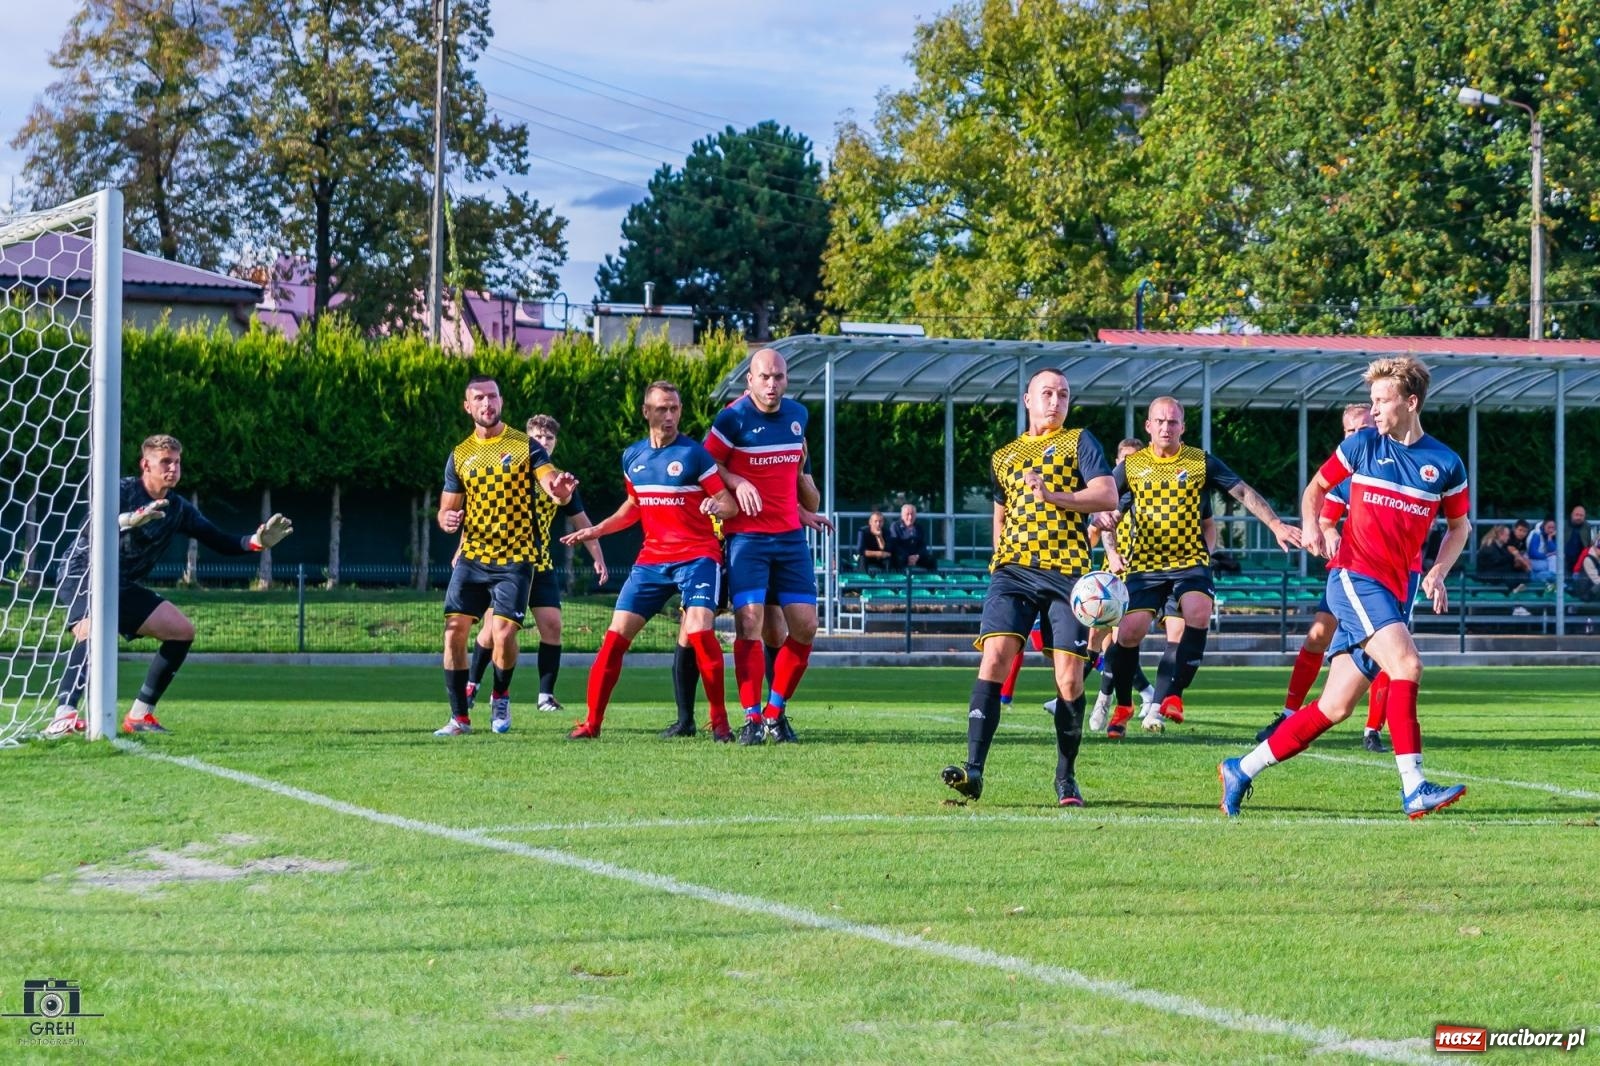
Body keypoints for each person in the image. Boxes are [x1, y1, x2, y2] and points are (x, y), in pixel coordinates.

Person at [1219, 355, 1471, 820]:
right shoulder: (1362, 448)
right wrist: (1314, 526)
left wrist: (1437, 571)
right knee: (1408, 664)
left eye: (1382, 400)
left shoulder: (1446, 463)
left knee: (1335, 707)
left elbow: (1460, 527)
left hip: (1399, 588)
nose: (1373, 410)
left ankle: (1241, 768)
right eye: (1372, 401)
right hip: (1355, 576)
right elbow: (1316, 488)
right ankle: (1415, 787)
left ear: (1411, 402)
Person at [940, 367, 1117, 807]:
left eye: (1063, 394)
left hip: (1068, 575)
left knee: (1069, 679)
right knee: (995, 656)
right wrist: (1000, 552)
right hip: (1014, 571)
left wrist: (1054, 497)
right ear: (1027, 400)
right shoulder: (1005, 456)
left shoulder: (1080, 442)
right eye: (1047, 393)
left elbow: (1107, 495)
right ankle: (974, 769)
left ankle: (1066, 777)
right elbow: (1000, 510)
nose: (1055, 401)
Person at [43, 434, 294, 738]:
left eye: (176, 462)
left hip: (119, 584)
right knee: (93, 631)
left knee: (181, 630)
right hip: (83, 574)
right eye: (165, 462)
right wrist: (127, 520)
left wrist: (256, 542)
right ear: (145, 465)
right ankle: (63, 715)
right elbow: (90, 529)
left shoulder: (178, 509)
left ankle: (140, 715)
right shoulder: (120, 490)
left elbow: (221, 541)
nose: (173, 468)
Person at [1093, 397, 1300, 735]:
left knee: (1198, 612)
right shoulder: (1131, 466)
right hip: (1144, 566)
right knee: (1128, 634)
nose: (1165, 427)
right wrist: (1101, 514)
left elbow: (1243, 492)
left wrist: (1275, 524)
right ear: (1148, 426)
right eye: (1159, 421)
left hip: (1190, 561)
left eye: (1173, 422)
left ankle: (1172, 695)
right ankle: (1124, 703)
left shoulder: (1200, 462)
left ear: (1183, 427)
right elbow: (1100, 496)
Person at [562, 381, 737, 740]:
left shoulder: (695, 455)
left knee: (701, 632)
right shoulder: (633, 457)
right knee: (614, 640)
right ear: (646, 412)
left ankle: (720, 723)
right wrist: (597, 530)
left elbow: (729, 503)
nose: (669, 416)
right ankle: (592, 724)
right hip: (652, 561)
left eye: (674, 408)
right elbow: (633, 507)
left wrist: (716, 505)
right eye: (661, 409)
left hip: (698, 557)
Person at [434, 376, 578, 736]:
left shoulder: (526, 446)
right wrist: (446, 519)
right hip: (473, 556)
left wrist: (559, 491)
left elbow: (549, 481)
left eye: (493, 396)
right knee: (454, 632)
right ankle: (459, 718)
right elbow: (446, 509)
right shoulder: (460, 455)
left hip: (516, 558)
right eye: (479, 398)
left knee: (502, 634)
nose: (487, 403)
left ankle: (500, 696)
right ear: (468, 406)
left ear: (501, 401)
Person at [1253, 404, 1395, 753]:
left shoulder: (1393, 465)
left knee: (1390, 652)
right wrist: (1326, 531)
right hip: (1348, 573)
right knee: (1317, 635)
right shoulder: (1344, 478)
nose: (1358, 435)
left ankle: (1373, 729)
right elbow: (1325, 513)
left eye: (1364, 427)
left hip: (1389, 577)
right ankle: (1289, 713)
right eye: (1351, 431)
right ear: (1344, 435)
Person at [705, 348, 824, 745]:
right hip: (747, 538)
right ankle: (752, 718)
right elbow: (704, 466)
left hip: (790, 536)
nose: (772, 384)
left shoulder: (798, 417)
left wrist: (804, 509)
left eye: (779, 377)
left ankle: (774, 712)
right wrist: (737, 482)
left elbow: (793, 478)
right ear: (750, 381)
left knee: (806, 626)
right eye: (764, 377)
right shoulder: (732, 418)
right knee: (750, 622)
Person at [462, 414, 608, 723]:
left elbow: (582, 522)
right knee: (492, 632)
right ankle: (472, 684)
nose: (542, 443)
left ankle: (545, 695)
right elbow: (478, 511)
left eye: (549, 439)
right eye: (537, 438)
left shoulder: (558, 483)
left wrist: (598, 555)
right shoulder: (507, 471)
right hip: (502, 563)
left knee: (553, 624)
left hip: (538, 564)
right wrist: (463, 548)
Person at [1474, 524, 1527, 594]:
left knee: (1519, 572)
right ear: (1500, 535)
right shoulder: (1489, 546)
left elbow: (1505, 559)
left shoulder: (1500, 546)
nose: (1508, 538)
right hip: (1487, 575)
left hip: (1496, 572)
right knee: (1509, 573)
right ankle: (1513, 590)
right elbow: (1497, 561)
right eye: (1507, 535)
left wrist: (1516, 558)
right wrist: (1512, 555)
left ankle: (1515, 588)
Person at [887, 502, 937, 572]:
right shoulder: (895, 526)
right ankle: (901, 581)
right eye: (907, 514)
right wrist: (908, 557)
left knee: (931, 560)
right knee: (897, 559)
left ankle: (929, 581)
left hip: (916, 557)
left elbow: (923, 545)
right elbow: (895, 545)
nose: (910, 517)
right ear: (902, 515)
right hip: (902, 556)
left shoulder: (919, 527)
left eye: (912, 514)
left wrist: (917, 556)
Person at [1527, 517, 1561, 585]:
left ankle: (1550, 580)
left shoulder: (1551, 535)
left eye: (1553, 528)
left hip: (1543, 560)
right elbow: (1532, 553)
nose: (1551, 530)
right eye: (1549, 527)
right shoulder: (1536, 534)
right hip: (1532, 561)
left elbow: (1553, 550)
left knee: (1554, 560)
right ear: (1543, 526)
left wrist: (1550, 538)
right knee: (1554, 565)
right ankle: (1555, 581)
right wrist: (1546, 555)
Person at [1563, 505, 1591, 574]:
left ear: (1584, 516)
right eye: (1577, 514)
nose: (1579, 517)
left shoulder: (1587, 526)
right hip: (1565, 557)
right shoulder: (1564, 525)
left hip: (1581, 558)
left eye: (1581, 515)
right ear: (1572, 515)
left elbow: (1589, 543)